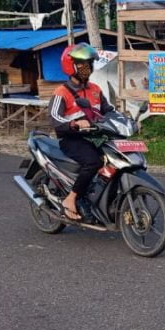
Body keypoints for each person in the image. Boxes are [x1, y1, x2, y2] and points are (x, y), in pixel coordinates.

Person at [49, 43, 113, 221]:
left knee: (116, 160)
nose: (88, 68)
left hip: (95, 137)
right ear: (71, 66)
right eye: (83, 64)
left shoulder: (95, 89)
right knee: (93, 162)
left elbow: (108, 111)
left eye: (90, 64)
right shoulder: (61, 93)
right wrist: (75, 124)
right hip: (72, 139)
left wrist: (126, 119)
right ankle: (71, 199)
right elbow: (55, 118)